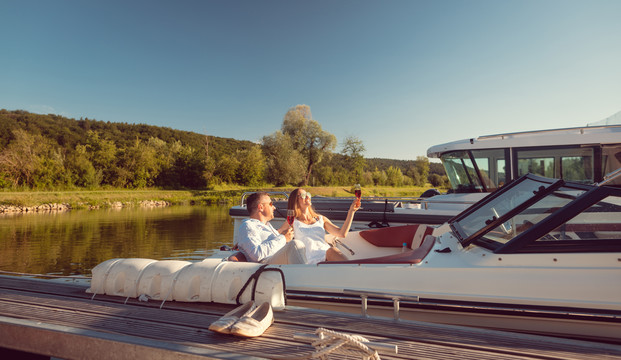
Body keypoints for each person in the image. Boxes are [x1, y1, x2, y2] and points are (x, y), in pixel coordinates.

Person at [287, 188, 360, 264]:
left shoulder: (321, 219)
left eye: (308, 194)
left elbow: (342, 233)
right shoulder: (292, 221)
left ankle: (354, 270)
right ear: (295, 200)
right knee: (333, 251)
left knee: (332, 250)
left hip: (326, 254)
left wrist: (351, 211)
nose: (308, 197)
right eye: (303, 195)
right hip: (309, 260)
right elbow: (280, 235)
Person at [234, 192, 307, 264]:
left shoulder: (267, 226)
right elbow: (256, 254)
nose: (274, 207)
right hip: (265, 266)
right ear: (261, 207)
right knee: (296, 244)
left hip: (277, 263)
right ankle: (307, 273)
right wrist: (283, 238)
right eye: (271, 204)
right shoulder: (248, 226)